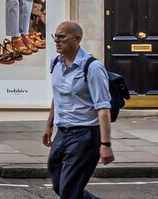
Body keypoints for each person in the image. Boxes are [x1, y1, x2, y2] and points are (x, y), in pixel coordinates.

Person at [42, 20, 113, 199]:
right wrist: (49, 125)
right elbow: (57, 96)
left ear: (77, 39)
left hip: (85, 135)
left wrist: (105, 144)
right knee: (60, 185)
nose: (57, 41)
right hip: (62, 132)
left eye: (62, 37)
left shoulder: (93, 68)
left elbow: (103, 109)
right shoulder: (56, 63)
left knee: (69, 192)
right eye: (55, 37)